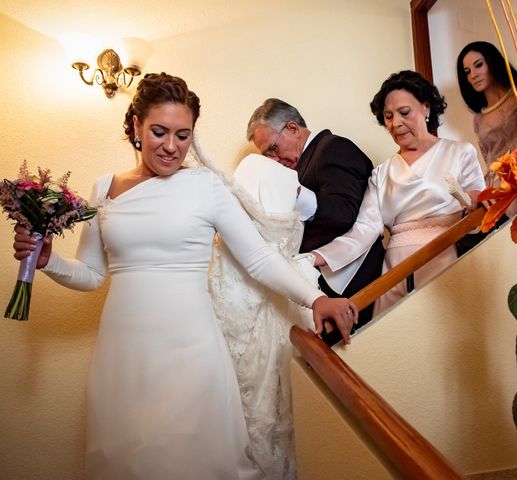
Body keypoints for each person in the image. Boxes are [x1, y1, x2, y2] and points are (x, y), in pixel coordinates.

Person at [11, 73, 357, 480]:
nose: (172, 147)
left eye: (184, 135)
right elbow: (90, 275)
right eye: (159, 132)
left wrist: (315, 298)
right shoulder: (105, 187)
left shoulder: (207, 186)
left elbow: (259, 258)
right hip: (124, 351)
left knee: (196, 459)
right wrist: (49, 260)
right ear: (136, 126)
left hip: (192, 349)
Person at [312, 70, 486, 315]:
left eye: (404, 113)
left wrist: (476, 203)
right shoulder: (381, 173)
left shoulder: (460, 152)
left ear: (426, 108)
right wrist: (316, 258)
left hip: (445, 256)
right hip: (395, 269)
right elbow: (364, 231)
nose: (396, 123)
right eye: (388, 116)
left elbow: (479, 206)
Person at [205, 152, 318, 479]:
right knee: (261, 402)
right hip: (267, 302)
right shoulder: (267, 177)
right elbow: (261, 258)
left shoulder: (259, 177)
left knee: (254, 402)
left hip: (244, 303)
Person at [246, 99, 385, 334]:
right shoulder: (300, 165)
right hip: (320, 283)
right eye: (267, 155)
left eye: (272, 148)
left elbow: (344, 213)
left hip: (351, 279)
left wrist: (297, 195)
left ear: (292, 128)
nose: (274, 160)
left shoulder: (333, 148)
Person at [455, 41, 517, 254]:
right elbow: (489, 158)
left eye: (478, 65)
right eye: (467, 71)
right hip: (498, 188)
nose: (473, 74)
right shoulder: (479, 120)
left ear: (493, 63)